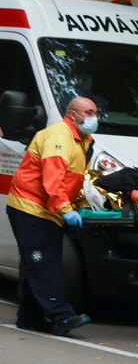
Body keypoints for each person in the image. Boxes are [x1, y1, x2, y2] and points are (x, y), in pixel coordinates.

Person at [6, 97, 98, 335]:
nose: (94, 117)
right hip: (31, 207)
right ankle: (61, 316)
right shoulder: (59, 137)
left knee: (40, 261)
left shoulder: (83, 140)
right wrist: (66, 210)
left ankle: (29, 317)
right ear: (73, 115)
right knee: (45, 263)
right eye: (89, 112)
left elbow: (74, 181)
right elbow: (52, 181)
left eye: (96, 113)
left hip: (47, 210)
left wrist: (77, 207)